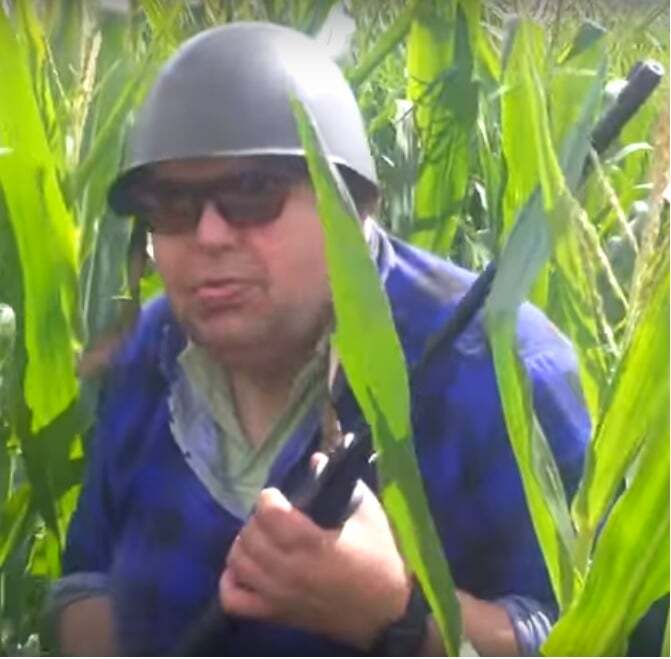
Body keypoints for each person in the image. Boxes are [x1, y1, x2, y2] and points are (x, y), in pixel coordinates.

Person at [50, 22, 590, 656]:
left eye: (253, 192)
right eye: (171, 205)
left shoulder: (499, 369)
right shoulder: (151, 347)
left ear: (352, 206)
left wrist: (400, 616)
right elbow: (86, 581)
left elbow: (600, 633)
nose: (209, 236)